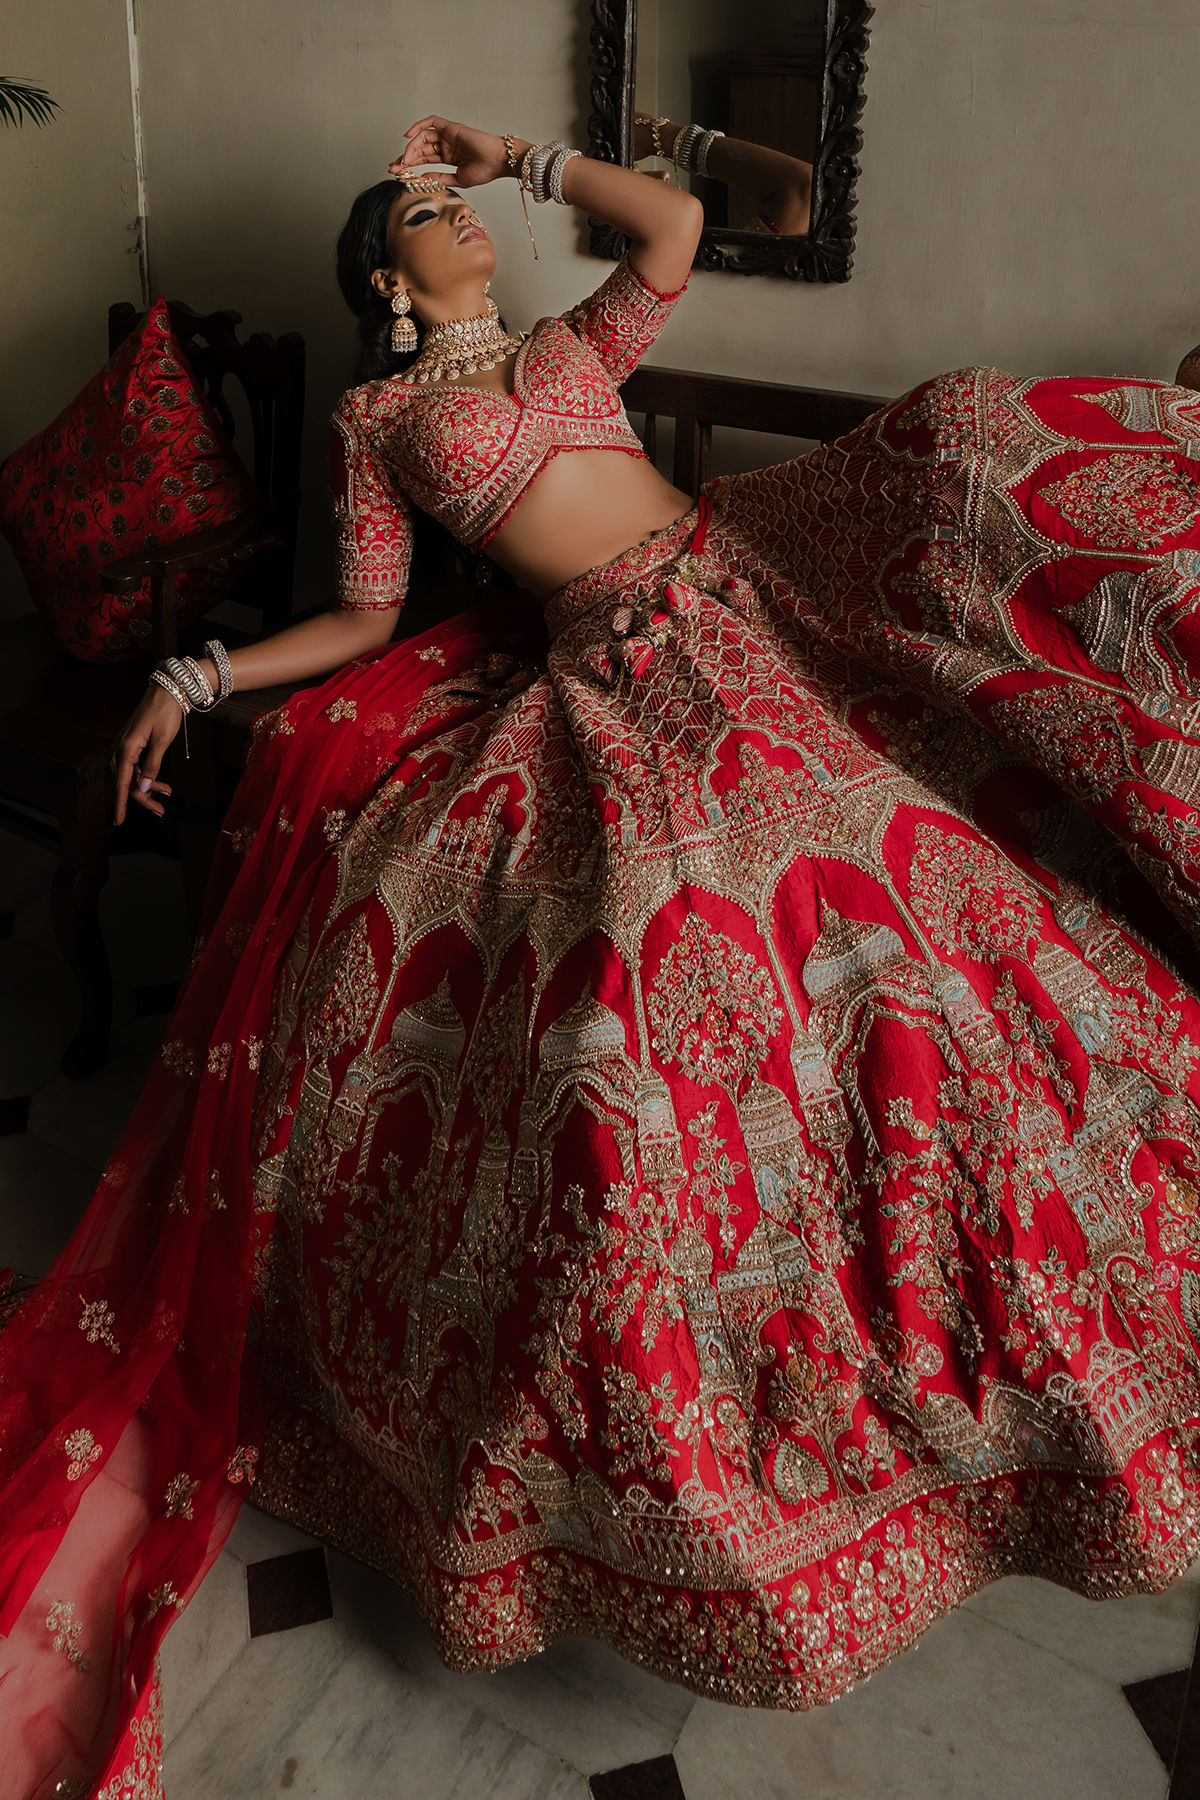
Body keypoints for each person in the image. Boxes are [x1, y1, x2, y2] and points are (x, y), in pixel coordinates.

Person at [4, 113, 1200, 1796]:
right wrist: (200, 679)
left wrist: (520, 154)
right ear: (383, 276)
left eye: (460, 207)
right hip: (619, 683)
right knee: (642, 1012)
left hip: (751, 604)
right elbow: (359, 620)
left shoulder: (578, 344)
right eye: (429, 215)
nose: (462, 226)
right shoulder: (379, 420)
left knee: (969, 802)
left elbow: (676, 225)